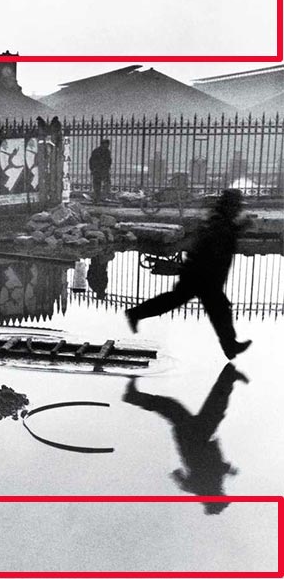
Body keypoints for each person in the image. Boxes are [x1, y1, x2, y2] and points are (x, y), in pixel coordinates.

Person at [125, 189, 252, 360]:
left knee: (190, 303)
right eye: (236, 206)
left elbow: (222, 237)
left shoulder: (219, 220)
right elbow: (218, 243)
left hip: (201, 275)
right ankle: (230, 346)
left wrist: (237, 228)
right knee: (216, 309)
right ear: (229, 206)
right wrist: (239, 228)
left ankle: (230, 345)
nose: (237, 209)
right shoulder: (219, 223)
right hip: (202, 276)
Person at [123, 363, 249, 514]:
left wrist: (228, 470)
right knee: (206, 407)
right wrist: (227, 470)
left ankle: (229, 375)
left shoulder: (207, 487)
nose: (224, 493)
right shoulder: (205, 487)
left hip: (195, 439)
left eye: (222, 497)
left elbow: (208, 471)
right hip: (197, 438)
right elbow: (184, 477)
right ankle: (229, 376)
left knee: (204, 407)